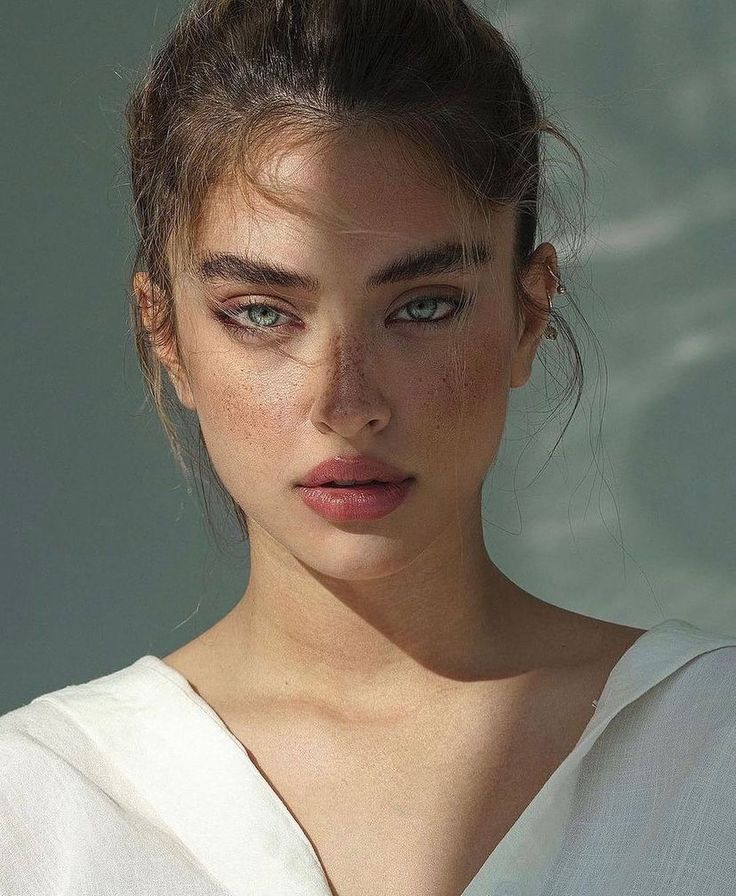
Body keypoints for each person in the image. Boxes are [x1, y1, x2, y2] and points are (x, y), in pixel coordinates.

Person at [2, 1, 735, 894]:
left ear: (528, 312)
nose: (347, 405)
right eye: (263, 313)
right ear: (166, 332)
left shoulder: (712, 752)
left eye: (423, 306)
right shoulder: (41, 804)